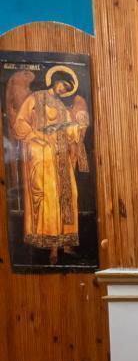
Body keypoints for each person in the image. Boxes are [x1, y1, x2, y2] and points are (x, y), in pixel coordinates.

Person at [12, 66, 90, 265]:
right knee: (50, 198)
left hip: (60, 157)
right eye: (64, 84)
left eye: (68, 88)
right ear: (56, 80)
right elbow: (20, 123)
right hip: (43, 155)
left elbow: (69, 131)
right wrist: (37, 136)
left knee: (69, 195)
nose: (64, 90)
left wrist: (78, 127)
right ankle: (52, 248)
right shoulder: (35, 98)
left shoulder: (62, 107)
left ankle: (66, 243)